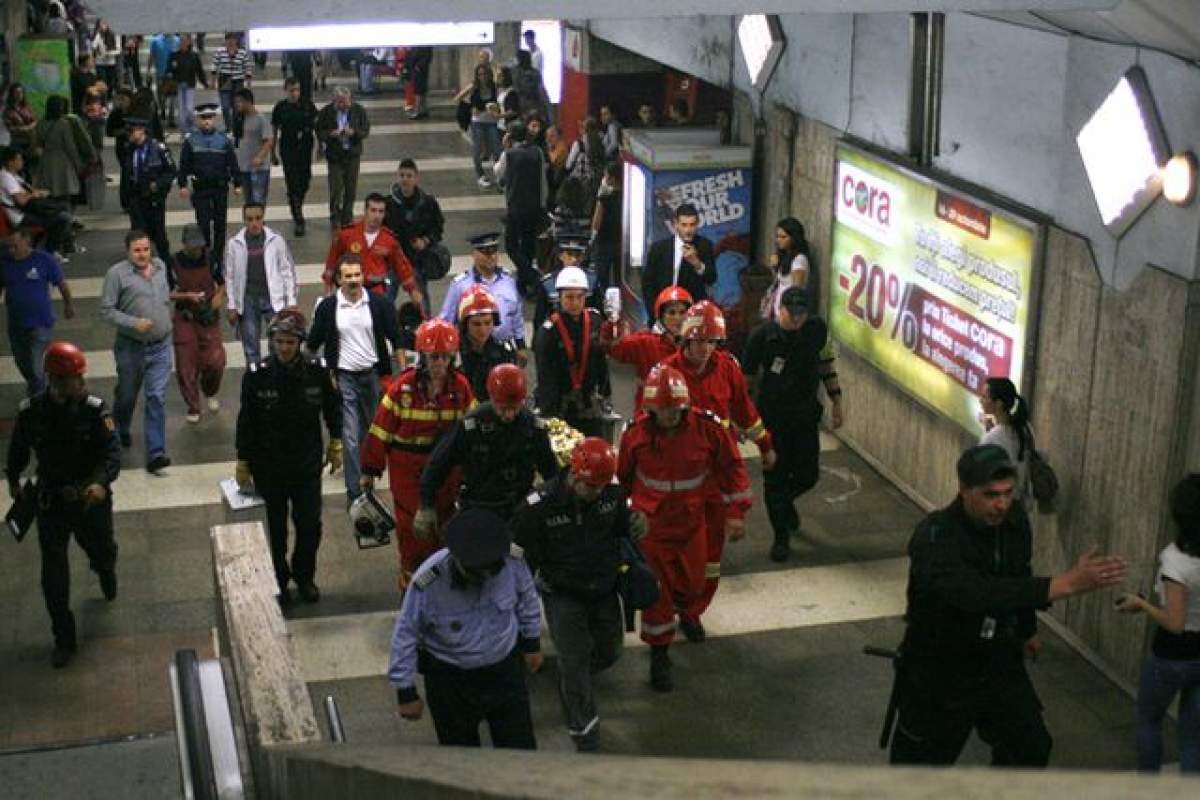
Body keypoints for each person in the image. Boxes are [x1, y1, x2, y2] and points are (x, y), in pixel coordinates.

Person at [889, 444, 1130, 767]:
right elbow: (975, 593)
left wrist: (1027, 629)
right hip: (941, 667)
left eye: (1007, 493)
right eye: (990, 495)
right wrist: (1064, 584)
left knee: (1030, 747)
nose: (1001, 504)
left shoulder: (1013, 521)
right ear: (963, 490)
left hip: (995, 657)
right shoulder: (936, 537)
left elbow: (1018, 572)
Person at [617, 364, 750, 691]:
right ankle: (659, 654)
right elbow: (623, 479)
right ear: (649, 409)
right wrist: (619, 519)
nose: (669, 418)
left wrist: (736, 511)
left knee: (693, 583)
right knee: (656, 594)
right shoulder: (635, 434)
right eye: (662, 412)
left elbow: (732, 467)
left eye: (674, 411)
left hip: (693, 521)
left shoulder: (708, 429)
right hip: (652, 527)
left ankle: (689, 612)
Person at [512, 438, 638, 751]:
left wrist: (638, 526)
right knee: (575, 658)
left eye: (601, 487)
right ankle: (584, 732)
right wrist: (521, 597)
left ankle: (574, 678)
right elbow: (518, 555)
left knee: (610, 652)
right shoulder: (539, 506)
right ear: (574, 476)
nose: (597, 494)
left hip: (603, 588)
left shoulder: (611, 492)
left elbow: (623, 529)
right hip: (562, 592)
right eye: (590, 487)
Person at [6, 342, 120, 668]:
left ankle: (105, 570)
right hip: (51, 503)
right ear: (56, 380)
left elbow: (110, 453)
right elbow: (18, 450)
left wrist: (100, 482)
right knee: (53, 576)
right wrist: (13, 479)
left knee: (103, 549)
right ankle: (64, 639)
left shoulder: (95, 410)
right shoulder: (32, 413)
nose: (81, 383)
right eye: (75, 378)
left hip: (89, 502)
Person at [661, 301, 773, 630]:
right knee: (675, 551)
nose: (706, 349)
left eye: (712, 342)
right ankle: (673, 605)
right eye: (700, 341)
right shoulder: (667, 373)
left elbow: (744, 411)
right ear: (685, 340)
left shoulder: (727, 369)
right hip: (678, 477)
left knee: (710, 556)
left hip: (716, 473)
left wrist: (765, 444)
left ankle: (693, 611)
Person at [389, 508, 542, 748]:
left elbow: (527, 596)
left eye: (491, 570)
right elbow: (406, 633)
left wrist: (532, 641)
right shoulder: (429, 581)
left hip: (504, 673)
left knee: (521, 751)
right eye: (476, 571)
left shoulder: (511, 559)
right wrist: (405, 690)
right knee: (462, 762)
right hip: (451, 683)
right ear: (456, 559)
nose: (485, 577)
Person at [235, 308, 342, 605]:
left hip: (306, 464)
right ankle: (279, 579)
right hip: (269, 465)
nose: (284, 348)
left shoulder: (318, 370)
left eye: (290, 343)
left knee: (310, 525)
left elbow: (333, 408)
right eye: (279, 342)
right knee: (277, 527)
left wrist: (336, 440)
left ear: (300, 343)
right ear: (272, 341)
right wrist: (243, 459)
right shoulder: (257, 376)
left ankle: (304, 576)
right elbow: (246, 421)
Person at [361, 318, 474, 589]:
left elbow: (472, 430)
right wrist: (369, 470)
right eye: (434, 357)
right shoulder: (402, 389)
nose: (439, 364)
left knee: (447, 531)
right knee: (413, 533)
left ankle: (446, 593)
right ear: (423, 356)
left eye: (444, 357)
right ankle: (412, 593)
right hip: (408, 471)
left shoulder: (461, 388)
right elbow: (380, 430)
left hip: (447, 471)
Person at [743, 287, 844, 562]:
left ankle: (784, 505)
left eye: (802, 314)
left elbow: (826, 365)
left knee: (808, 475)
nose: (797, 319)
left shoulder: (816, 331)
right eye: (792, 313)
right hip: (772, 420)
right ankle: (781, 537)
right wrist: (745, 420)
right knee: (774, 478)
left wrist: (837, 401)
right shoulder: (762, 338)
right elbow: (747, 382)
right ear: (780, 309)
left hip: (804, 416)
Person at [1116, 474, 1200, 773]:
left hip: (1172, 655)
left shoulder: (1176, 559)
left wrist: (1141, 604)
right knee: (1193, 736)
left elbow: (1175, 623)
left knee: (1149, 721)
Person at [308, 256, 406, 505]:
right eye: (347, 276)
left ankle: (368, 478)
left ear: (363, 277)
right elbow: (313, 343)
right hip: (344, 378)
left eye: (356, 275)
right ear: (339, 280)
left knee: (371, 434)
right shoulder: (329, 308)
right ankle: (355, 493)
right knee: (350, 437)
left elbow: (397, 338)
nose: (353, 280)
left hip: (372, 375)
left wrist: (403, 373)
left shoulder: (379, 304)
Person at [419, 364, 559, 526]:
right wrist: (426, 506)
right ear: (491, 399)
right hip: (479, 506)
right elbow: (438, 464)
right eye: (503, 409)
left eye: (515, 408)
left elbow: (551, 472)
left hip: (520, 508)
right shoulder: (472, 426)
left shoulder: (533, 428)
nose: (509, 415)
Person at [99, 230, 174, 472]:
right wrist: (134, 323)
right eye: (137, 250)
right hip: (131, 348)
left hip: (161, 345)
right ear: (128, 251)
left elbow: (164, 297)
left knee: (156, 396)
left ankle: (156, 453)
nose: (142, 254)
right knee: (127, 395)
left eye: (146, 249)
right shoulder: (116, 275)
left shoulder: (161, 267)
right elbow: (106, 311)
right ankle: (120, 426)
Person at [534, 265, 611, 437]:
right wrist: (549, 415)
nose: (575, 303)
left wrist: (606, 395)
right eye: (569, 297)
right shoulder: (548, 332)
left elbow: (601, 362)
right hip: (560, 407)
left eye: (579, 297)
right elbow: (545, 375)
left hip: (589, 404)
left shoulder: (595, 322)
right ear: (559, 298)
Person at [0, 225, 74, 396]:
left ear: (27, 241)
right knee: (22, 362)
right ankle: (38, 387)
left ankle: (40, 400)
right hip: (16, 324)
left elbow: (61, 284)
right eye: (9, 246)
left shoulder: (44, 260)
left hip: (41, 322)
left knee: (36, 364)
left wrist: (68, 305)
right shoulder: (4, 263)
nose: (12, 250)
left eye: (15, 246)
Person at [224, 201, 299, 364]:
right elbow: (229, 276)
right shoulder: (234, 244)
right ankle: (255, 381)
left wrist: (291, 301)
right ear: (244, 220)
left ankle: (276, 379)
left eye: (258, 218)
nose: (254, 223)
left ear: (263, 218)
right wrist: (231, 305)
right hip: (248, 300)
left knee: (278, 343)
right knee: (251, 347)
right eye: (249, 219)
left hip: (274, 299)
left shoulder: (276, 240)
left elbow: (288, 271)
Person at [323, 192, 421, 308]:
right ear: (365, 211)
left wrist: (413, 291)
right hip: (349, 291)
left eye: (381, 211)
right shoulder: (346, 235)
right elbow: (332, 261)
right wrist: (328, 288)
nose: (377, 215)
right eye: (373, 210)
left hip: (377, 294)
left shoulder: (389, 241)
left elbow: (402, 267)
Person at [169, 224, 226, 423]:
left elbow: (222, 282)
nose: (196, 250)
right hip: (185, 316)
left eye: (199, 246)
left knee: (216, 361)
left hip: (208, 315)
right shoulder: (173, 262)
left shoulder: (210, 259)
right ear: (184, 245)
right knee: (186, 366)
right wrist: (186, 296)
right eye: (192, 247)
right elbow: (167, 292)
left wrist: (219, 296)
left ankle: (210, 390)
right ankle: (193, 405)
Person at [601, 285, 691, 411]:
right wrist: (612, 322)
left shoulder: (694, 345)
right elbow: (613, 348)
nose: (678, 318)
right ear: (661, 316)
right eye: (671, 312)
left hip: (684, 412)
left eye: (682, 312)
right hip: (650, 413)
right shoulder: (645, 341)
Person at [438, 232, 528, 355]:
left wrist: (521, 345)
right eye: (485, 252)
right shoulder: (460, 285)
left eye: (494, 251)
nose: (490, 256)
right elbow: (447, 321)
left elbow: (516, 315)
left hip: (505, 350)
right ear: (474, 254)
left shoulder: (509, 281)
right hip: (472, 351)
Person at [177, 103, 241, 270]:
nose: (206, 122)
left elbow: (232, 162)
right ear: (198, 120)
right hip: (201, 189)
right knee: (203, 223)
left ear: (215, 119)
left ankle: (218, 258)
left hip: (220, 187)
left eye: (210, 118)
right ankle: (206, 256)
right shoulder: (191, 141)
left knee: (220, 225)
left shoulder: (224, 140)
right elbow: (184, 164)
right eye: (203, 118)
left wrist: (237, 183)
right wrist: (182, 184)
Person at [493, 121, 547, 298]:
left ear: (510, 137)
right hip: (534, 207)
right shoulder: (537, 152)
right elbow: (542, 180)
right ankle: (522, 286)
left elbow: (498, 172)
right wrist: (543, 205)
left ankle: (532, 278)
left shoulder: (508, 154)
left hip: (515, 207)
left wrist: (504, 148)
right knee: (528, 247)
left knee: (511, 246)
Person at [383, 158, 445, 309]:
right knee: (386, 298)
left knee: (421, 299)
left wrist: (425, 241)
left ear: (416, 178)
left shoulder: (428, 203)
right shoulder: (388, 204)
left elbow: (438, 228)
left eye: (409, 176)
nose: (405, 179)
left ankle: (427, 328)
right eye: (402, 175)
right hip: (393, 261)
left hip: (417, 260)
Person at [641, 203, 716, 317]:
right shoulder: (659, 248)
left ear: (697, 225)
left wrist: (697, 263)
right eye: (684, 225)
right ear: (675, 224)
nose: (688, 230)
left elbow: (711, 278)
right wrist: (654, 313)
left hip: (692, 314)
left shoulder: (705, 245)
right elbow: (647, 283)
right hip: (663, 311)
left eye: (692, 225)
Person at [120, 117, 176, 265]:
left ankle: (166, 266)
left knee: (159, 235)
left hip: (154, 199)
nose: (129, 135)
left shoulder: (158, 148)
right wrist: (125, 199)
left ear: (141, 130)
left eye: (131, 131)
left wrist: (157, 185)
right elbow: (125, 175)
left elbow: (171, 171)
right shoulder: (130, 150)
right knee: (138, 234)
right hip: (136, 198)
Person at [1, 147, 73, 260]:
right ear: (11, 162)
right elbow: (21, 200)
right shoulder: (6, 178)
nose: (22, 162)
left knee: (61, 210)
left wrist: (38, 192)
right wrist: (35, 195)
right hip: (20, 216)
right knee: (62, 219)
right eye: (19, 159)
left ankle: (47, 248)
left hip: (26, 212)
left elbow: (26, 192)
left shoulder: (14, 176)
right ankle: (48, 252)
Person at [270, 77, 318, 237]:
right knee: (292, 181)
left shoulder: (307, 105)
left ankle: (296, 201)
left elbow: (316, 126)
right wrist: (272, 152)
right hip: (288, 148)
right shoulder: (280, 107)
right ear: (286, 90)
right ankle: (298, 217)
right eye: (292, 90)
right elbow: (275, 129)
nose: (295, 93)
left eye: (297, 89)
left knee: (305, 180)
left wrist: (321, 147)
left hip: (305, 147)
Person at [316, 87, 370, 227]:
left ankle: (347, 215)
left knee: (351, 187)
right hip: (335, 155)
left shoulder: (358, 111)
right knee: (336, 187)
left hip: (352, 155)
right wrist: (330, 134)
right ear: (334, 100)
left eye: (345, 102)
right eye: (339, 102)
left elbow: (365, 130)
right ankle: (335, 214)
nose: (342, 105)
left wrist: (354, 132)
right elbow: (319, 131)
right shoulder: (326, 112)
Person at [456, 285, 518, 401]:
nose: (483, 330)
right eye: (476, 324)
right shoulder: (452, 353)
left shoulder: (505, 351)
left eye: (488, 323)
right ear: (465, 324)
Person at [979, 377, 1033, 506]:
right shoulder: (1025, 428)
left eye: (985, 397)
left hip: (999, 505)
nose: (980, 400)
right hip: (1020, 503)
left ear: (998, 404)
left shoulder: (991, 438)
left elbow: (980, 473)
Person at [456, 64, 502, 189]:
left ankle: (499, 174)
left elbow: (500, 101)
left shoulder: (494, 87)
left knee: (496, 148)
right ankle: (480, 176)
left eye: (485, 74)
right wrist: (470, 107)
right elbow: (459, 97)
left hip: (491, 121)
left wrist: (496, 109)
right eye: (480, 74)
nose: (483, 77)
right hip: (478, 122)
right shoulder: (474, 87)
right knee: (477, 150)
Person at [761, 217, 814, 322]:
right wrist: (776, 267)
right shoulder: (785, 256)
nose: (778, 240)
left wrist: (789, 315)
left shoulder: (799, 260)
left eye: (783, 237)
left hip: (788, 316)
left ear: (794, 238)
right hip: (778, 312)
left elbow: (796, 291)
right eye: (777, 236)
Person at [232, 89, 273, 204]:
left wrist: (260, 157)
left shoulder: (261, 119)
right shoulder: (239, 119)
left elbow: (269, 141)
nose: (237, 105)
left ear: (248, 102)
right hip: (244, 167)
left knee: (258, 200)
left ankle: (259, 222)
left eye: (239, 102)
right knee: (249, 201)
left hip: (259, 168)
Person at [590, 162, 622, 297]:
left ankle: (603, 303)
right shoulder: (627, 197)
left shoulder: (604, 198)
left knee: (602, 277)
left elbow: (596, 223)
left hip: (604, 242)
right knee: (620, 278)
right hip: (621, 242)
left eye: (606, 176)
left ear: (612, 179)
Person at [211, 32, 252, 133]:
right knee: (225, 106)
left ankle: (235, 127)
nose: (230, 41)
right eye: (228, 39)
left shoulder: (242, 53)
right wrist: (212, 81)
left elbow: (247, 68)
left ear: (236, 41)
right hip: (224, 80)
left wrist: (248, 84)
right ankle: (228, 126)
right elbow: (214, 67)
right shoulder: (220, 52)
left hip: (238, 82)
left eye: (233, 39)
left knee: (236, 107)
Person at [167, 34, 207, 133]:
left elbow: (199, 71)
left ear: (189, 42)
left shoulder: (194, 56)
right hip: (178, 85)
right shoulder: (174, 55)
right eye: (181, 40)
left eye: (185, 40)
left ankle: (190, 125)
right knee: (181, 109)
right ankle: (184, 130)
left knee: (189, 108)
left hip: (189, 84)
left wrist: (205, 83)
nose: (182, 42)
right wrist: (170, 73)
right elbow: (168, 69)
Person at [147, 32, 179, 127]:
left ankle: (171, 118)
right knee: (161, 97)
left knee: (173, 97)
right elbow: (152, 56)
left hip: (174, 75)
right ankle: (163, 110)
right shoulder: (155, 41)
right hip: (160, 74)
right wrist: (149, 70)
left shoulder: (177, 40)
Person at [512, 49, 549, 124]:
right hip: (524, 103)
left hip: (528, 103)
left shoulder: (518, 72)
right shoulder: (533, 72)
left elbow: (518, 88)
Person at [3, 84, 38, 158]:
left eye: (21, 92)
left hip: (31, 143)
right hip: (18, 143)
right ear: (12, 94)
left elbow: (35, 120)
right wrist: (21, 129)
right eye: (17, 92)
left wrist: (28, 127)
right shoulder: (8, 110)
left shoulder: (26, 107)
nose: (19, 95)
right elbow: (9, 128)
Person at [91, 21, 121, 100]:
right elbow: (93, 45)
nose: (103, 25)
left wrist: (109, 53)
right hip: (100, 62)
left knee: (110, 82)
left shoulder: (115, 34)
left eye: (104, 23)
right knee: (101, 81)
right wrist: (98, 35)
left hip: (110, 62)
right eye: (101, 24)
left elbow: (118, 50)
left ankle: (109, 97)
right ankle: (102, 98)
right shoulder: (98, 34)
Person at [405, 46, 433, 120]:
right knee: (420, 91)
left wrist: (419, 66)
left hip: (420, 70)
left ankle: (417, 111)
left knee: (419, 91)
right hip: (415, 69)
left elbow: (428, 56)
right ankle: (424, 110)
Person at [495, 66, 521, 136]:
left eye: (500, 75)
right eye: (497, 75)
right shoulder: (499, 90)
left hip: (509, 126)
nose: (498, 78)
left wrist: (499, 116)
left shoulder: (511, 92)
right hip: (500, 125)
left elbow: (513, 111)